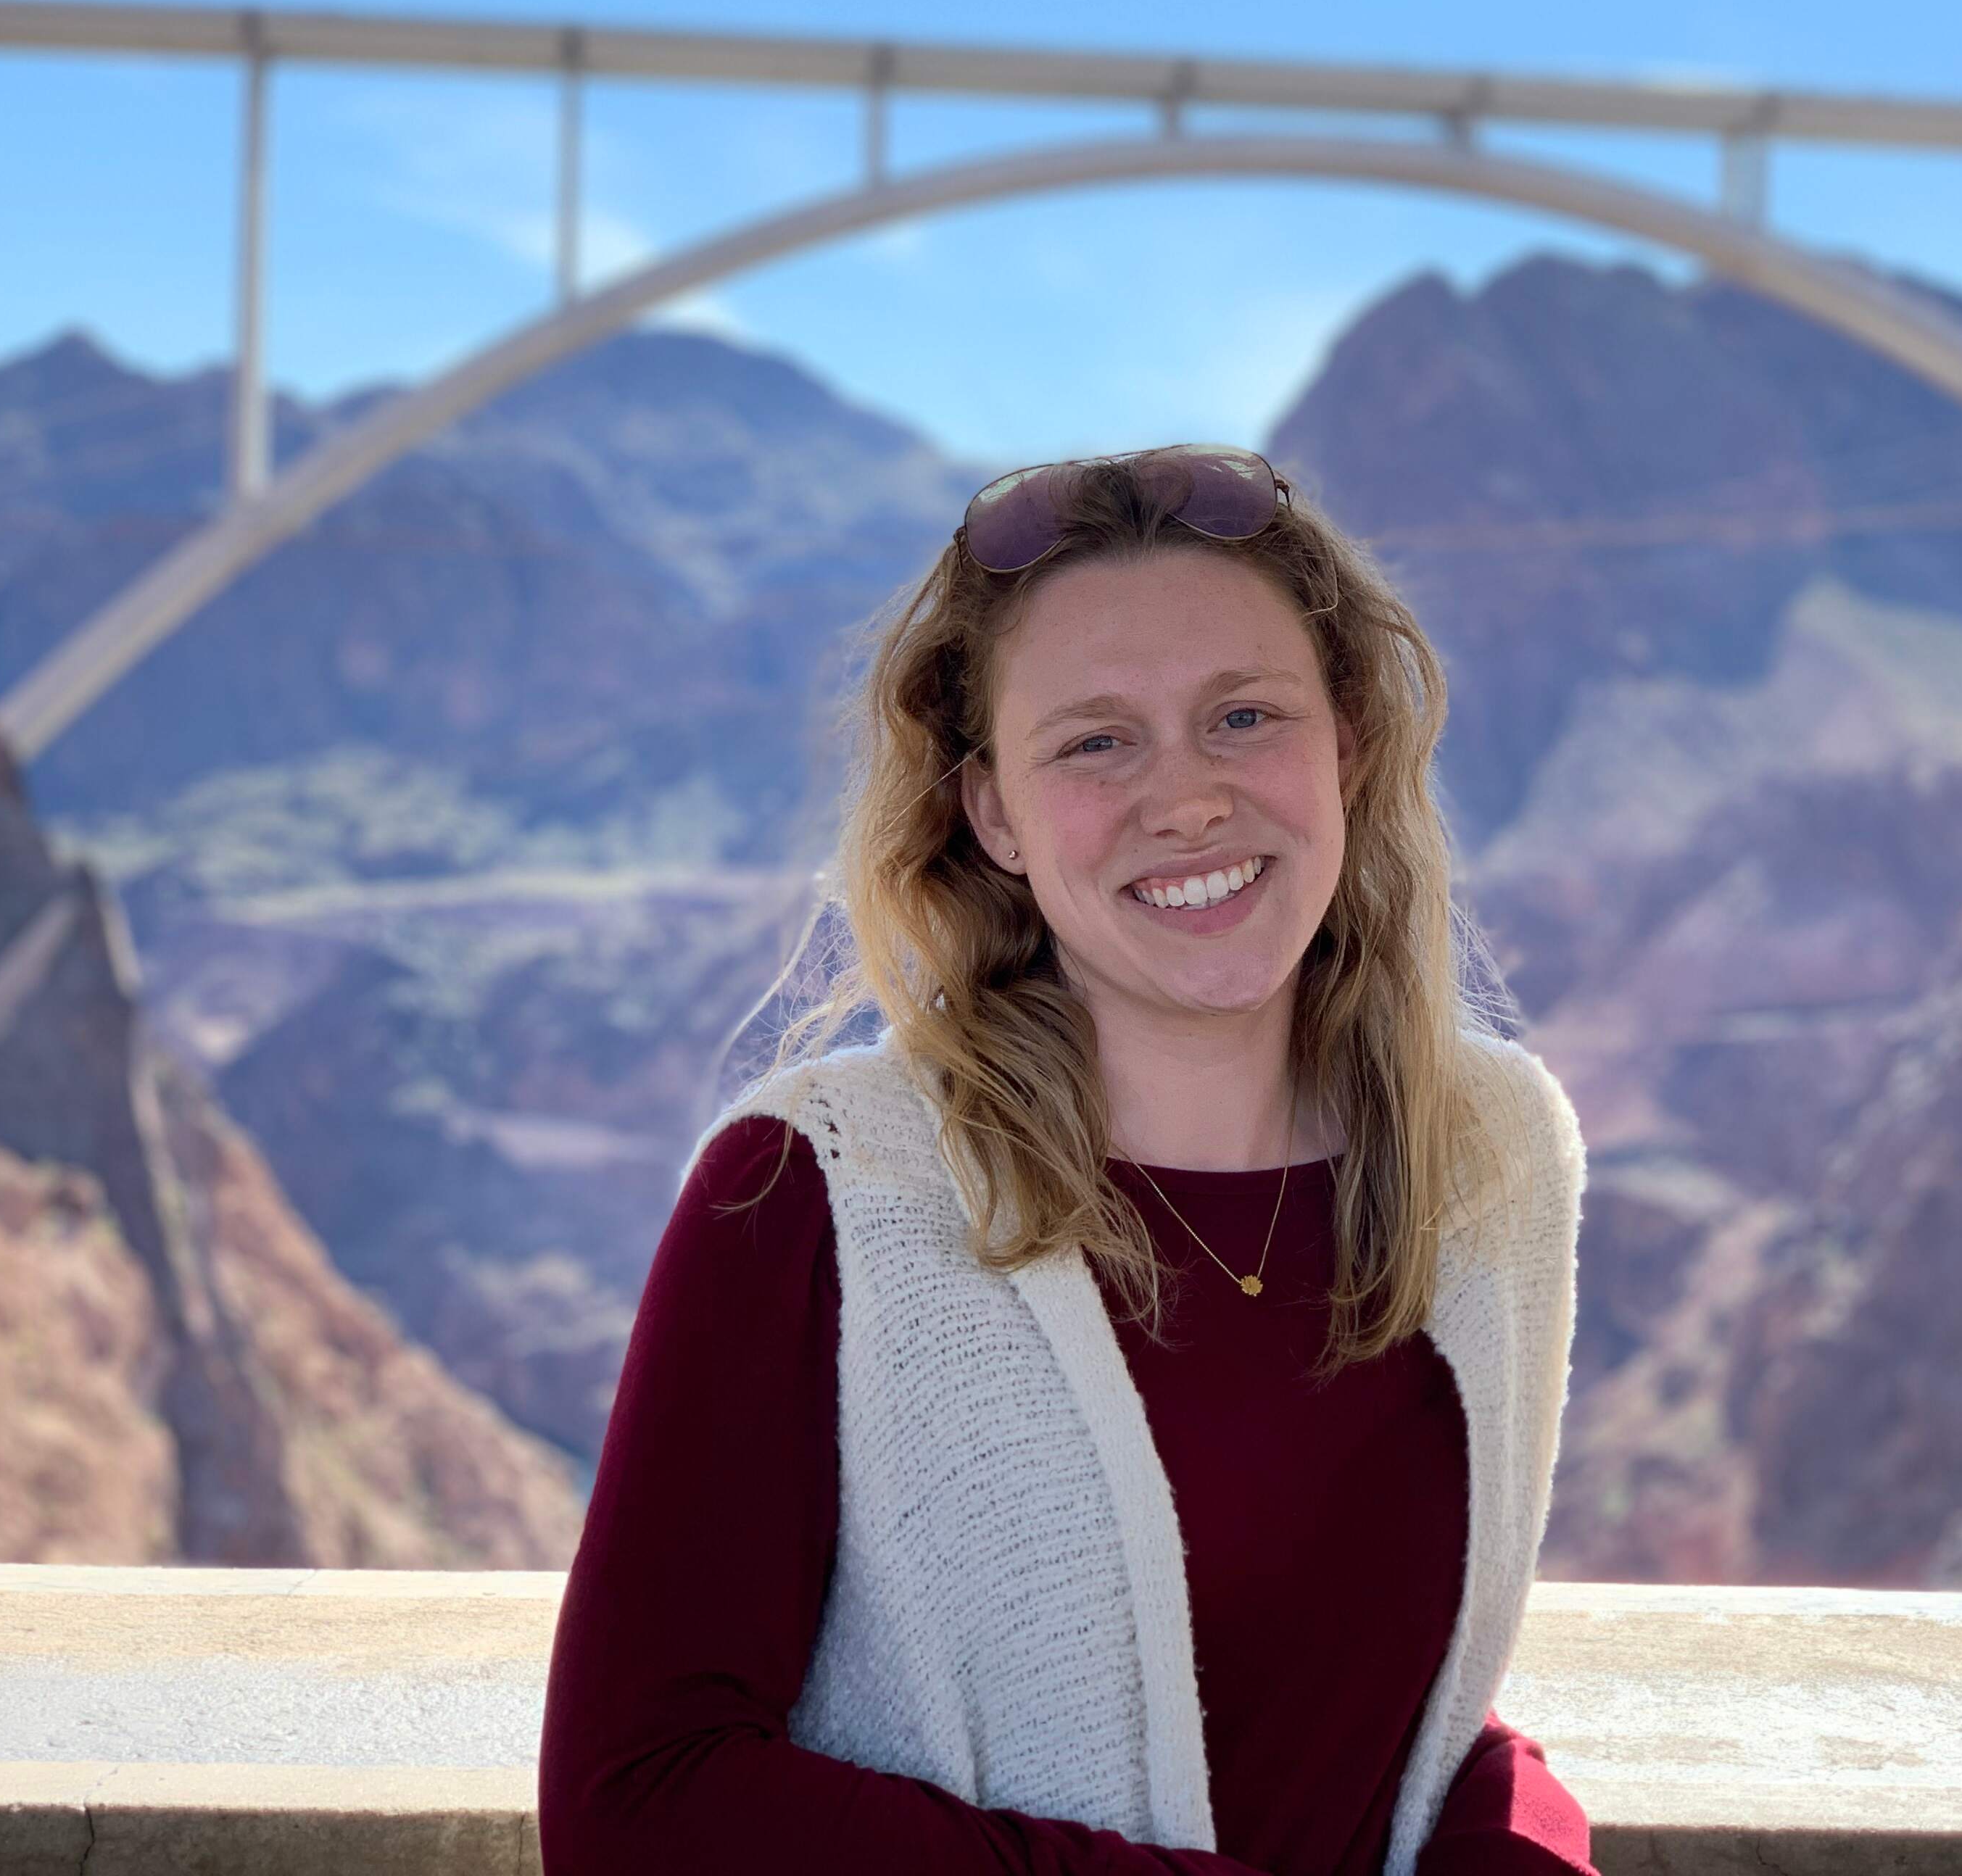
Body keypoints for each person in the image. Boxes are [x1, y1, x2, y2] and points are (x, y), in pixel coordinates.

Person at [538, 445, 1594, 1875]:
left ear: (1343, 744)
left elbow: (1401, 1715)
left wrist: (1516, 1846)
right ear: (993, 816)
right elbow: (639, 1800)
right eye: (1096, 741)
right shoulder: (814, 1197)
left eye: (1244, 715)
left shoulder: (1491, 1156)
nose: (1192, 798)